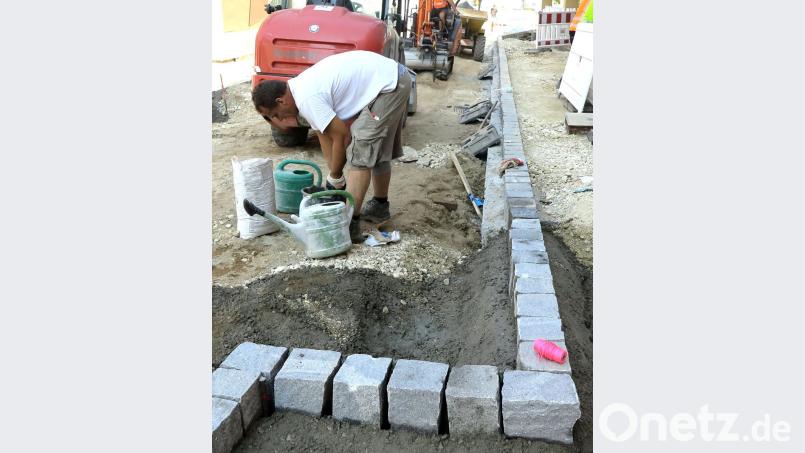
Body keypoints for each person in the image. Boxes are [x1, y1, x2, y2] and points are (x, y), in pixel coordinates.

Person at [252, 50, 412, 243]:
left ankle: (350, 223)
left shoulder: (306, 98)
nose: (282, 119)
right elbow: (324, 133)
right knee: (374, 148)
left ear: (281, 101)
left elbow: (341, 135)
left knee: (362, 146)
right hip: (392, 77)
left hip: (391, 85)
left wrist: (335, 176)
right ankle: (379, 205)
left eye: (277, 114)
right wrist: (334, 176)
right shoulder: (299, 88)